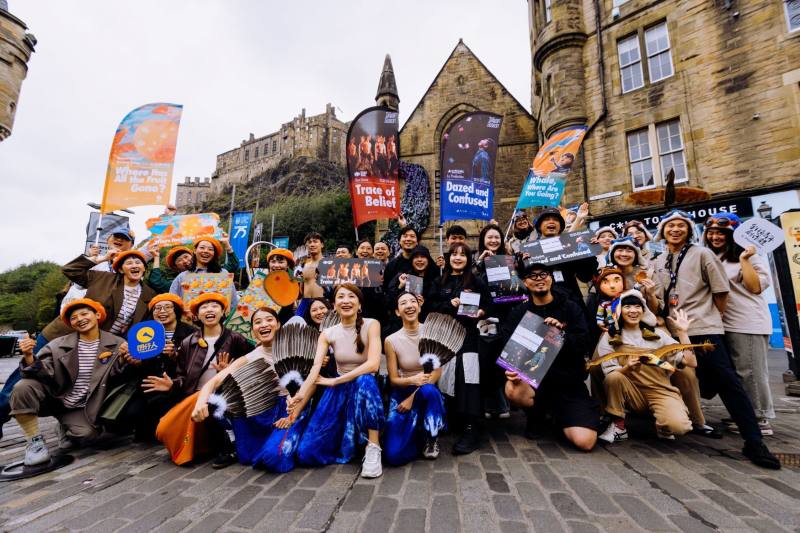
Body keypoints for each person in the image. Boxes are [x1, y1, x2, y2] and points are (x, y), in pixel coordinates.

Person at [652, 210, 780, 469]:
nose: (675, 230)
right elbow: (659, 301)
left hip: (703, 330)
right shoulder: (658, 260)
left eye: (681, 225)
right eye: (670, 226)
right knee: (680, 378)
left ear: (689, 231)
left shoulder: (702, 254)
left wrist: (711, 319)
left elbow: (720, 292)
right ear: (662, 231)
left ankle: (754, 441)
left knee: (730, 383)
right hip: (673, 333)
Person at [192, 307, 311, 472]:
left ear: (278, 325)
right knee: (247, 455)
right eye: (257, 322)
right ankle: (233, 438)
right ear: (253, 332)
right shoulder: (249, 358)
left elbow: (311, 381)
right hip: (262, 412)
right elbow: (214, 382)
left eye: (269, 320)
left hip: (290, 409)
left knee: (272, 457)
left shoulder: (297, 348)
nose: (263, 324)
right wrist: (200, 402)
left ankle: (291, 439)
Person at [11, 299, 127, 465]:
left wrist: (124, 359)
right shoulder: (57, 345)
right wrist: (29, 356)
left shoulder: (118, 343)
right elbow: (41, 373)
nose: (79, 319)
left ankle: (64, 426)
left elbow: (117, 376)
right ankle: (34, 442)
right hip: (54, 397)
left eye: (84, 313)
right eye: (73, 318)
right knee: (22, 387)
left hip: (81, 406)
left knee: (88, 435)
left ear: (97, 315)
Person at [500, 262, 598, 451]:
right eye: (533, 276)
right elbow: (507, 345)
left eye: (543, 274)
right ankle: (536, 415)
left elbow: (583, 343)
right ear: (525, 283)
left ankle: (560, 415)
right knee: (512, 389)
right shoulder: (519, 312)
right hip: (536, 384)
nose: (539, 279)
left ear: (551, 279)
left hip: (568, 383)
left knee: (585, 442)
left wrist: (560, 335)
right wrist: (512, 370)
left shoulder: (571, 308)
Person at [294, 284, 385, 477]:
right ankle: (349, 441)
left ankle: (373, 446)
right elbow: (315, 368)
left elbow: (373, 365)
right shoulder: (328, 334)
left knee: (365, 380)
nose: (346, 301)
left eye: (351, 296)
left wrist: (336, 381)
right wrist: (300, 395)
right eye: (340, 297)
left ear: (359, 304)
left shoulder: (372, 324)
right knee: (306, 452)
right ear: (334, 305)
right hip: (338, 391)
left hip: (363, 387)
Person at [156, 292, 252, 467]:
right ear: (197, 315)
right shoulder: (188, 342)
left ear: (223, 312)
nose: (209, 309)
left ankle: (230, 446)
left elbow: (249, 370)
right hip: (195, 397)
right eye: (204, 307)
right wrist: (172, 384)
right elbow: (182, 376)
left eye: (214, 306)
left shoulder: (236, 339)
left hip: (226, 397)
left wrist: (228, 374)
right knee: (164, 429)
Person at [703, 213, 775, 435]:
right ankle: (745, 413)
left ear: (733, 234)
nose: (715, 237)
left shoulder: (749, 256)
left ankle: (759, 418)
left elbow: (755, 287)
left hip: (747, 322)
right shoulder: (715, 257)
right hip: (723, 322)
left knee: (750, 371)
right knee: (734, 372)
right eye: (712, 232)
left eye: (721, 233)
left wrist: (745, 260)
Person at [596, 291, 696, 443]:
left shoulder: (658, 335)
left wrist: (683, 333)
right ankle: (619, 426)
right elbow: (609, 372)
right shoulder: (610, 337)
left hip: (660, 391)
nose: (633, 311)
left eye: (638, 306)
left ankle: (663, 425)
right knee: (614, 377)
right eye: (627, 306)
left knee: (679, 427)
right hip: (631, 392)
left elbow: (691, 362)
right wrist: (627, 368)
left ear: (644, 310)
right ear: (619, 310)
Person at [429, 243, 492, 454]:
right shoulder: (439, 281)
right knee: (445, 378)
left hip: (469, 337)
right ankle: (451, 419)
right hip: (444, 337)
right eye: (454, 254)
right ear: (448, 258)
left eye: (462, 255)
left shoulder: (476, 281)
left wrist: (481, 312)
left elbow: (490, 305)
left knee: (469, 378)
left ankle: (471, 427)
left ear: (468, 259)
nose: (458, 258)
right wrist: (449, 303)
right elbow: (429, 306)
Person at [115, 293, 196, 441]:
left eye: (167, 307)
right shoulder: (142, 333)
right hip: (147, 386)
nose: (162, 311)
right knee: (134, 423)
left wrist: (176, 357)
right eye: (157, 308)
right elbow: (131, 368)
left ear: (177, 310)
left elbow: (195, 364)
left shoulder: (191, 333)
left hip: (176, 387)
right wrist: (134, 361)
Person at [383, 293, 446, 465]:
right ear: (397, 312)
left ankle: (431, 437)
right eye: (403, 303)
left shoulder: (432, 334)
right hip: (402, 392)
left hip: (426, 390)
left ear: (419, 307)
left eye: (413, 301)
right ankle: (417, 434)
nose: (409, 305)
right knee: (392, 455)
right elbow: (394, 380)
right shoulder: (391, 340)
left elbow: (436, 373)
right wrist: (411, 383)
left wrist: (414, 395)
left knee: (430, 391)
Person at [40, 250, 156, 344]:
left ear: (144, 268)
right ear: (121, 269)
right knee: (32, 369)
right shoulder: (103, 278)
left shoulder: (149, 294)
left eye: (138, 262)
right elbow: (70, 270)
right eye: (129, 263)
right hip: (62, 335)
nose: (134, 265)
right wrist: (102, 259)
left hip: (99, 347)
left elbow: (141, 326)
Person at [531, 208, 598, 308]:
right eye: (546, 219)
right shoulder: (531, 251)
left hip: (572, 305)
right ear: (539, 227)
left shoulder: (572, 248)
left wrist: (588, 252)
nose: (551, 221)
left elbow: (585, 277)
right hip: (544, 306)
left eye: (556, 219)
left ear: (560, 227)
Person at [168, 237, 240, 310]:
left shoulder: (223, 272)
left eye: (210, 249)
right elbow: (172, 303)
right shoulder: (182, 277)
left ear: (214, 254)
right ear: (195, 250)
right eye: (202, 247)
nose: (206, 251)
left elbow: (233, 302)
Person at [385, 245, 437, 331]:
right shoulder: (402, 277)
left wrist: (424, 303)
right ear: (411, 260)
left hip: (428, 326)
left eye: (423, 257)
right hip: (402, 326)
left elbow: (439, 303)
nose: (419, 260)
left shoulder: (437, 278)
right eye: (416, 257)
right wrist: (400, 286)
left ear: (428, 259)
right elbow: (388, 303)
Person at [605, 237, 658, 313]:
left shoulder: (648, 275)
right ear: (612, 254)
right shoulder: (606, 276)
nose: (624, 254)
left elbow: (656, 311)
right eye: (620, 250)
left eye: (629, 251)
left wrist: (651, 295)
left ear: (636, 255)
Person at [264, 248, 298, 325]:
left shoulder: (292, 283)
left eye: (281, 262)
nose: (276, 265)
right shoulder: (261, 281)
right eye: (273, 261)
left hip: (284, 325)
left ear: (288, 265)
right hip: (264, 324)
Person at [382, 226, 419, 293]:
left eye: (412, 236)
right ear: (399, 241)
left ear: (417, 242)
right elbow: (386, 290)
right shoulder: (391, 265)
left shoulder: (422, 263)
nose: (408, 239)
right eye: (405, 236)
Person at [300, 232, 325, 299]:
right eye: (309, 242)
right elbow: (301, 289)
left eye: (315, 242)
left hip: (322, 303)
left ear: (322, 245)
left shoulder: (329, 263)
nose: (312, 245)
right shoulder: (304, 266)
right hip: (305, 302)